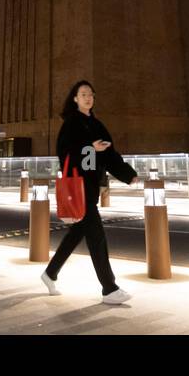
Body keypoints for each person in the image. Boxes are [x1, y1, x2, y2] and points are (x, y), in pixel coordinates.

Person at [41, 80, 138, 305]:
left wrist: (127, 173)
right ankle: (109, 288)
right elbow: (64, 154)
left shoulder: (97, 124)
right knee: (96, 236)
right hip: (78, 186)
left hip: (91, 187)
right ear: (75, 98)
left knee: (77, 232)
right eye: (83, 94)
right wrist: (89, 148)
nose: (88, 98)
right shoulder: (71, 124)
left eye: (91, 94)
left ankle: (50, 273)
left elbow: (110, 155)